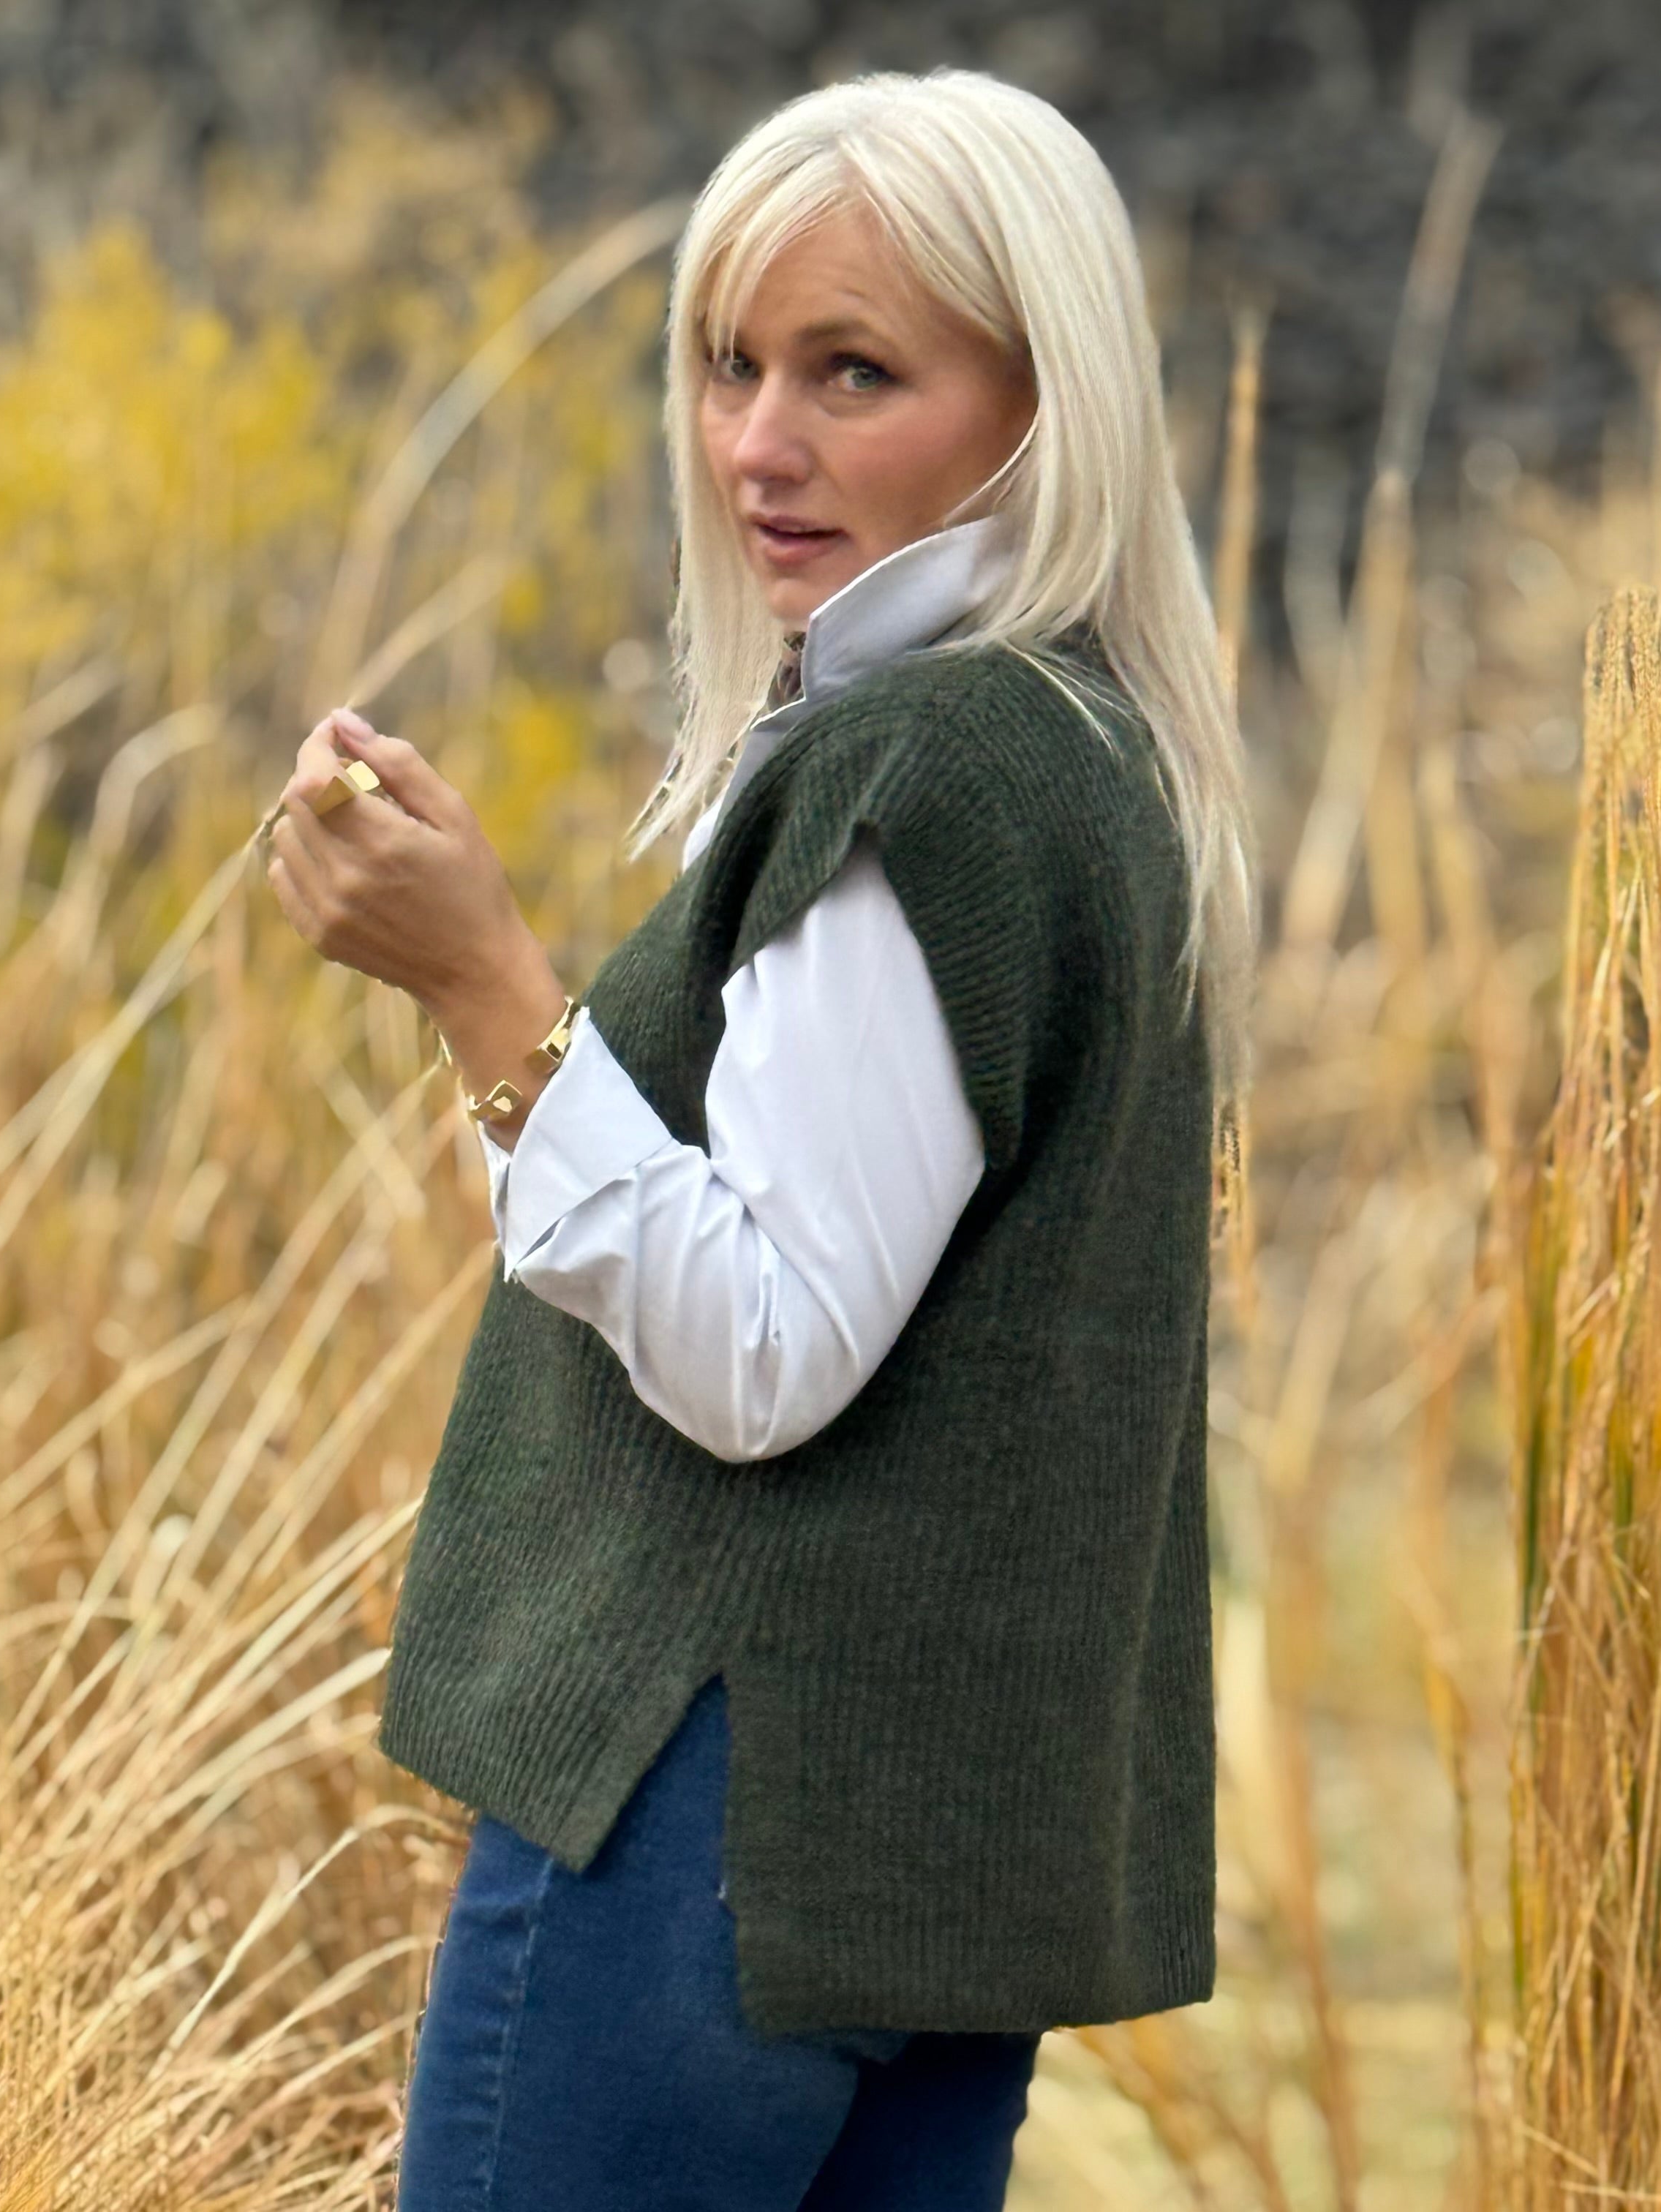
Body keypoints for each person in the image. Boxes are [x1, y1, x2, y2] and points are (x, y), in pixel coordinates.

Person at [261, 64, 1257, 2212]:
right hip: (927, 1851)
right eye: (729, 364)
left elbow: (762, 1349)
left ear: (1039, 397)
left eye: (853, 371)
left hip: (718, 1829)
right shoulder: (1098, 751)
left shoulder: (929, 765)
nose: (757, 444)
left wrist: (484, 990)